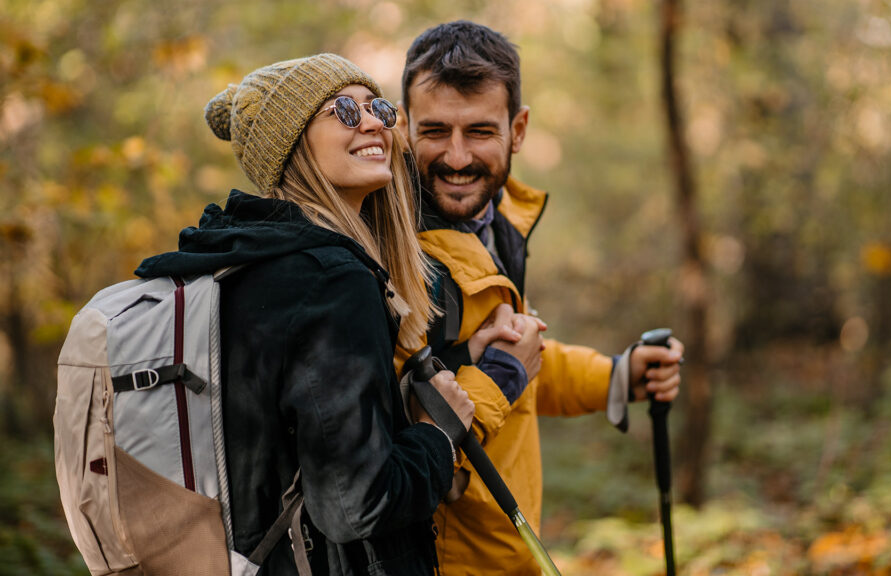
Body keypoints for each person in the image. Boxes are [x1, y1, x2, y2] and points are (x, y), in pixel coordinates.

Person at [135, 53, 474, 575]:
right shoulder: (330, 281)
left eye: (377, 107)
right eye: (341, 110)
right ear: (289, 147)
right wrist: (435, 434)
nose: (372, 123)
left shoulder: (242, 265)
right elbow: (357, 504)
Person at [396, 21, 685, 575]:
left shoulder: (497, 226)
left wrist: (619, 376)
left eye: (480, 131)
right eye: (435, 130)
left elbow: (521, 362)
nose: (456, 157)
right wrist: (501, 373)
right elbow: (395, 439)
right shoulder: (397, 250)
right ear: (405, 127)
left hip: (509, 554)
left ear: (519, 128)